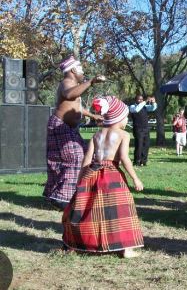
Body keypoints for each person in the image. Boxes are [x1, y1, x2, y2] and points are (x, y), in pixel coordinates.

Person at [62, 96, 144, 258]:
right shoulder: (123, 135)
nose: (126, 120)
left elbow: (86, 160)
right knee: (121, 209)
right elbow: (124, 158)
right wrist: (135, 178)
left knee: (89, 208)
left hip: (92, 172)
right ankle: (126, 249)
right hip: (112, 175)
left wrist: (81, 179)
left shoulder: (97, 135)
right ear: (118, 117)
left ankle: (80, 242)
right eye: (125, 116)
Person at [43, 56, 105, 210]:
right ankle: (61, 198)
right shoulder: (66, 83)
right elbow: (69, 95)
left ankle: (72, 192)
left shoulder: (74, 85)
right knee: (75, 156)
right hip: (60, 125)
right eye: (81, 69)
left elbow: (75, 105)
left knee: (86, 153)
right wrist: (90, 82)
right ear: (72, 70)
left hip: (69, 128)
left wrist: (92, 115)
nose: (83, 72)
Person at [129, 95, 157, 166]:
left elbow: (153, 108)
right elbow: (137, 109)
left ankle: (143, 161)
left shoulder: (145, 106)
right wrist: (145, 101)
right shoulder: (132, 107)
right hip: (138, 129)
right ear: (135, 100)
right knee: (139, 145)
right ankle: (136, 161)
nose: (140, 101)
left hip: (146, 128)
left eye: (141, 99)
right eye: (139, 99)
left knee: (146, 145)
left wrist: (153, 102)